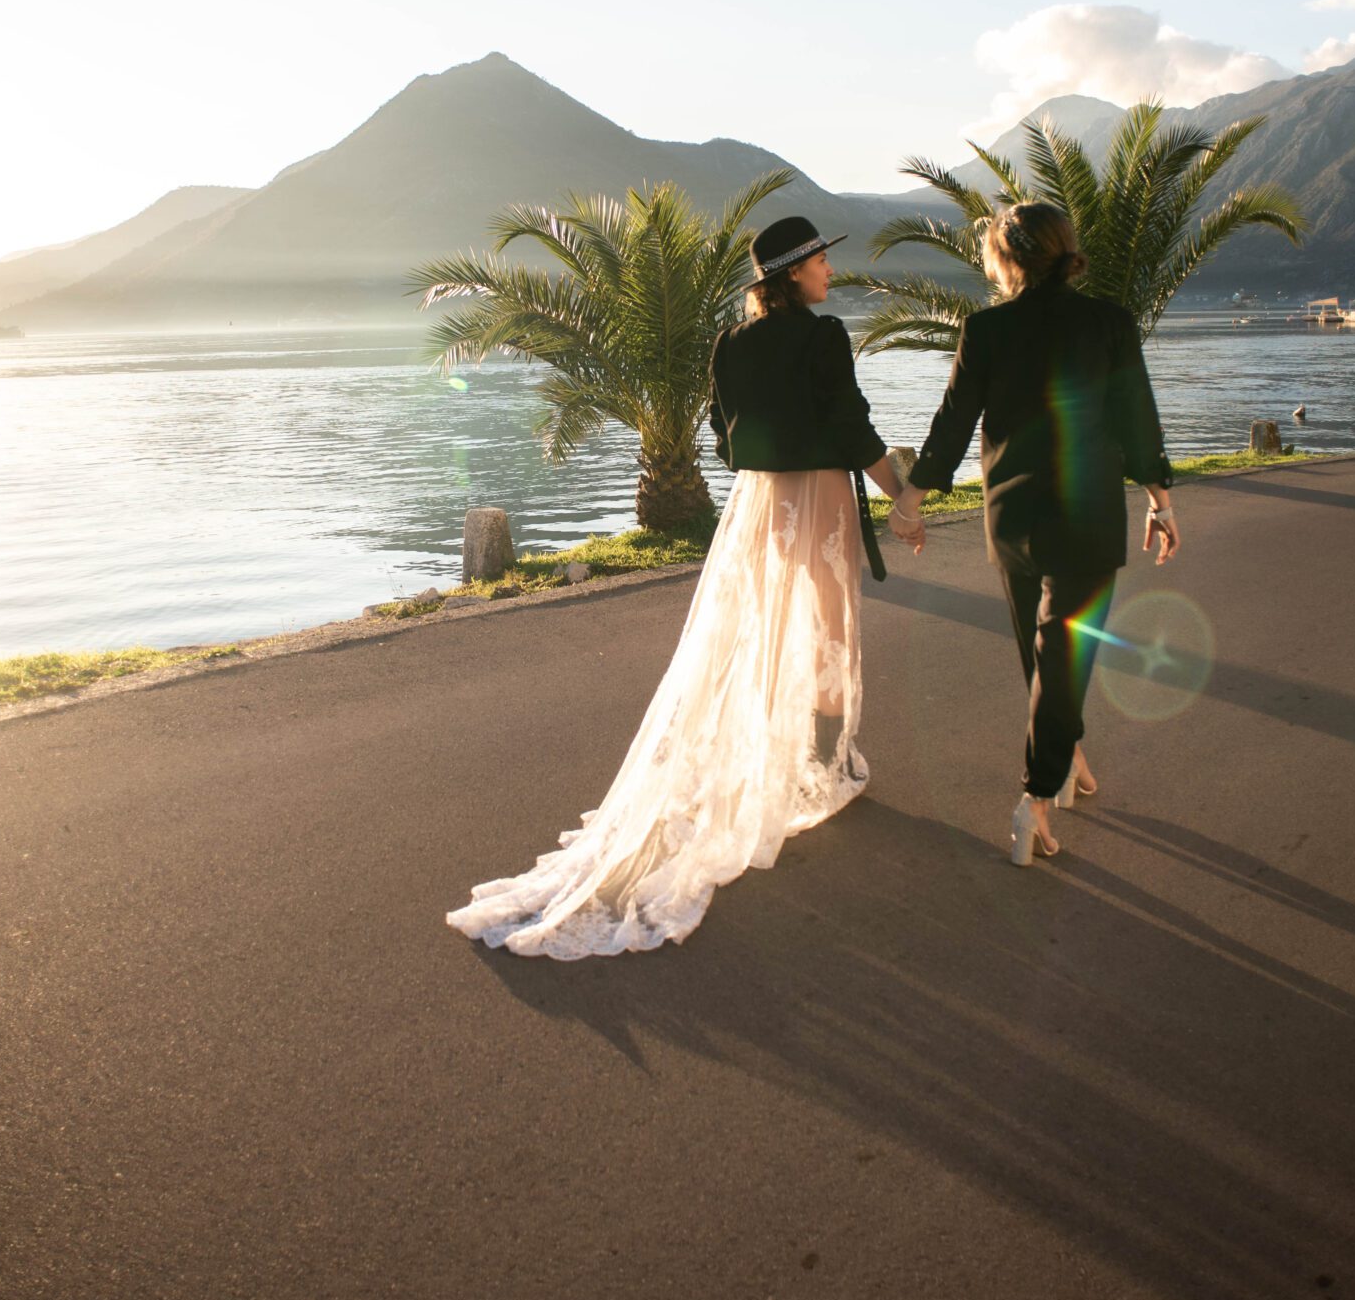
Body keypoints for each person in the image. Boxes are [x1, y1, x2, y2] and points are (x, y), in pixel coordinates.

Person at [446, 215, 921, 958]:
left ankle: (781, 763)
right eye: (823, 261)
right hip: (820, 493)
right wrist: (900, 494)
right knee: (825, 624)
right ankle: (817, 766)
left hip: (759, 501)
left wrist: (770, 456)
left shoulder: (730, 342)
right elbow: (851, 423)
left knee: (761, 627)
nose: (832, 270)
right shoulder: (825, 336)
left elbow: (725, 437)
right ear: (796, 271)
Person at [890, 201, 1179, 867]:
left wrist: (910, 501)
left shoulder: (986, 328)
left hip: (1012, 514)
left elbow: (952, 423)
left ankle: (1064, 755)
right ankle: (1038, 797)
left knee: (1043, 653)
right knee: (1063, 652)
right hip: (1087, 513)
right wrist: (1160, 502)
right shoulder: (1108, 322)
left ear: (1005, 257)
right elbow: (1137, 420)